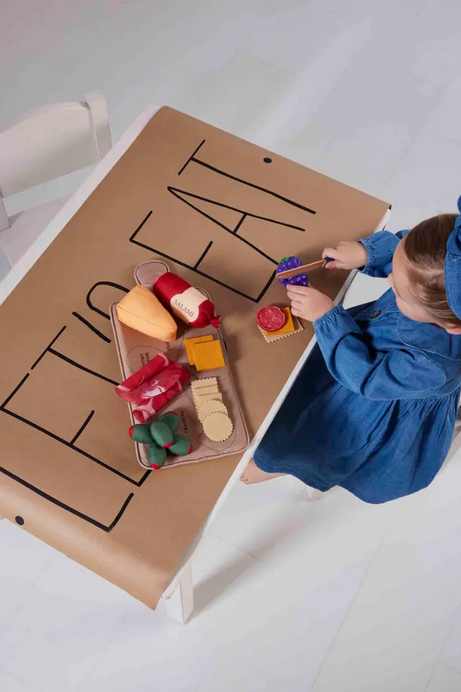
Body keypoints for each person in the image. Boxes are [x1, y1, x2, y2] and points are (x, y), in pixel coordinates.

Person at [241, 197, 461, 504]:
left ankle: (285, 466)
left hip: (369, 397)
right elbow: (413, 259)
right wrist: (366, 252)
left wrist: (325, 317)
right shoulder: (444, 267)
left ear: (450, 324)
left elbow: (368, 377)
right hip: (355, 355)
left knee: (325, 443)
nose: (388, 281)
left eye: (397, 290)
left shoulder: (433, 364)